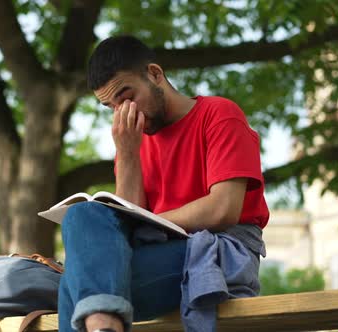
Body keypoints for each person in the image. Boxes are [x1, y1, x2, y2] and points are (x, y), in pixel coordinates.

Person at [57, 35, 269, 332]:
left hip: (215, 251)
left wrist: (151, 222)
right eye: (111, 107)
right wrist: (128, 154)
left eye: (126, 96)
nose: (123, 113)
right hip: (157, 252)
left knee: (74, 286)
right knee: (81, 215)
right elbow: (126, 223)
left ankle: (104, 324)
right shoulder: (131, 140)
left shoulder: (219, 114)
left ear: (155, 74)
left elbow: (223, 210)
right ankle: (105, 325)